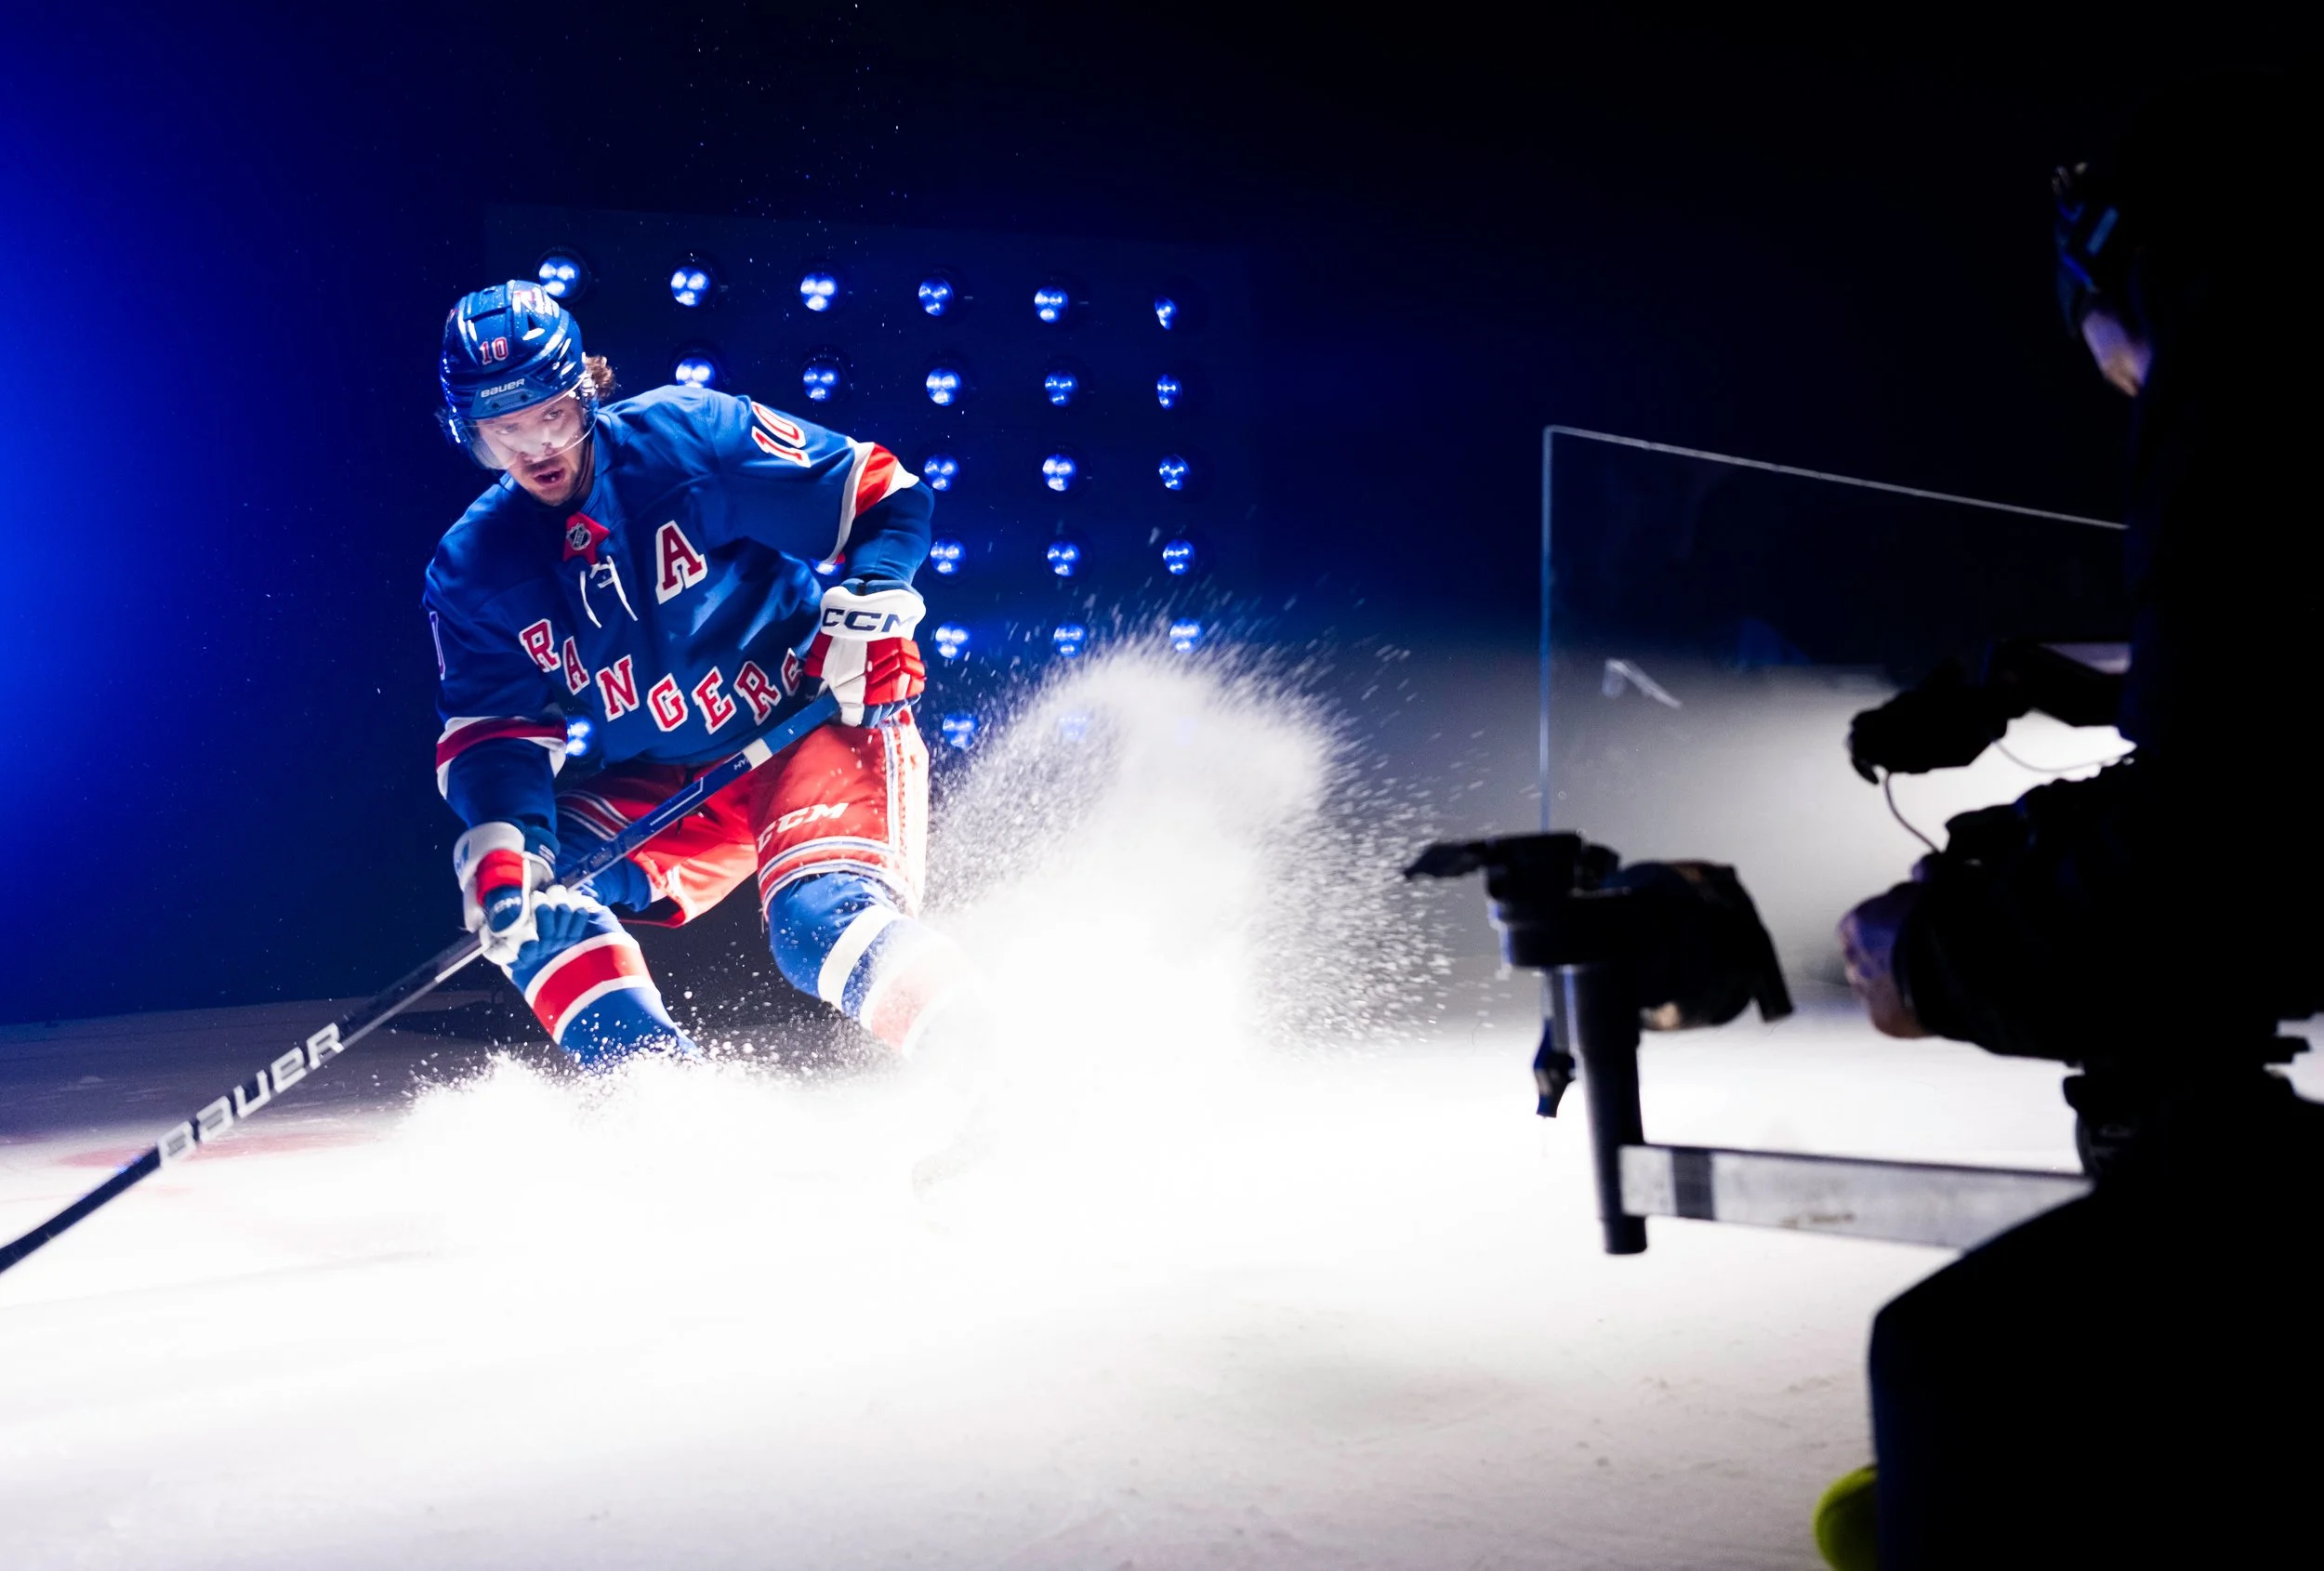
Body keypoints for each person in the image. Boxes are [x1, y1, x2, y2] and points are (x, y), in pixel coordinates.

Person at [1829, 73, 2320, 1567]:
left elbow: (2225, 847)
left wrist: (1934, 949)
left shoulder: (2223, 392)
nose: (2106, 374)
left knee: (1956, 1365)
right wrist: (2040, 679)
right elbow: (2277, 701)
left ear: (2126, 281)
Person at [425, 281, 970, 1067]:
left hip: (809, 723)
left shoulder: (689, 437)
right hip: (679, 779)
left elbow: (880, 494)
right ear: (468, 432)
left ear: (587, 392)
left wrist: (873, 604)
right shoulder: (470, 570)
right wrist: (509, 836)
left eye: (553, 415)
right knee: (527, 899)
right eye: (503, 430)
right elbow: (493, 733)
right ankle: (660, 1096)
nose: (536, 447)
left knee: (819, 923)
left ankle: (992, 1065)